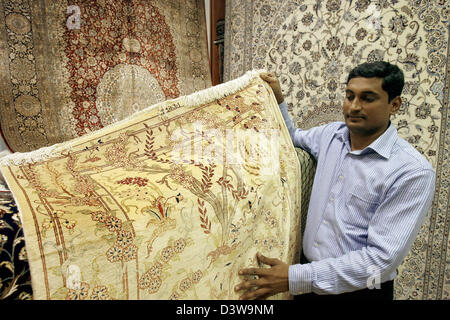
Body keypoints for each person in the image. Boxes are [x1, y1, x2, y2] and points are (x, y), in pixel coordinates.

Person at [234, 61, 435, 300]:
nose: (354, 106)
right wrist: (277, 98)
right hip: (306, 281)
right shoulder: (332, 136)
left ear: (395, 104)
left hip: (359, 291)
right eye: (349, 96)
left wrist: (294, 278)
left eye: (368, 98)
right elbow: (291, 136)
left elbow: (380, 261)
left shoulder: (411, 171)